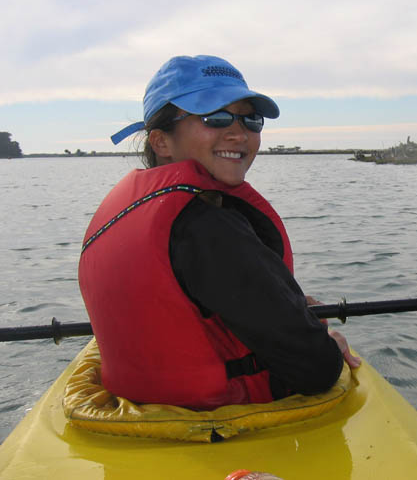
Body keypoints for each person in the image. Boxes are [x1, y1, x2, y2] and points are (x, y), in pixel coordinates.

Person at [78, 55, 360, 410]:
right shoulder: (207, 227)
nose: (239, 133)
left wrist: (284, 304)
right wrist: (327, 344)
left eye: (250, 119)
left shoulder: (132, 210)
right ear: (161, 141)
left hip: (140, 411)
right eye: (216, 117)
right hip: (219, 423)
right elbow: (315, 369)